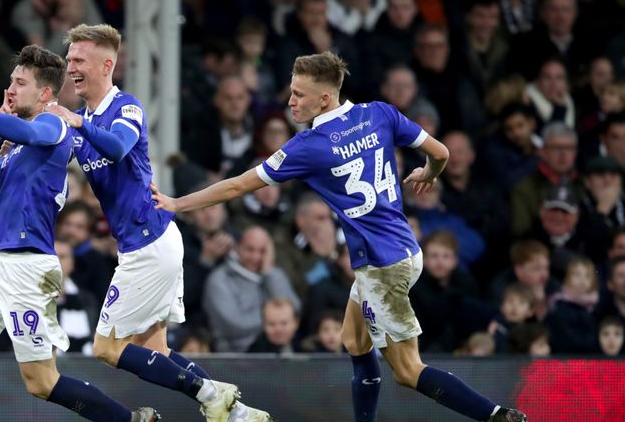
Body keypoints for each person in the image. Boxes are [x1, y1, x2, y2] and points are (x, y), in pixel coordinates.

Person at [151, 51, 527, 422]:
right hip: (404, 249)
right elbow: (441, 153)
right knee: (355, 339)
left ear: (325, 98)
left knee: (408, 370)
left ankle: (495, 415)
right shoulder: (379, 112)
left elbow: (236, 187)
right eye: (291, 91)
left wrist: (176, 204)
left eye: (299, 94)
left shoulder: (308, 146)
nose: (291, 101)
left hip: (382, 266)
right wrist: (430, 172)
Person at [42, 24, 270, 422]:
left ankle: (210, 392)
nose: (70, 67)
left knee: (106, 349)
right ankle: (238, 413)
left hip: (149, 241)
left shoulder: (126, 107)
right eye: (69, 60)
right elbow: (55, 152)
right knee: (156, 350)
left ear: (106, 64)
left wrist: (79, 125)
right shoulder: (80, 119)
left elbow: (116, 147)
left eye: (78, 59)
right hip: (147, 242)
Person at [0, 44, 159, 422]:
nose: (11, 90)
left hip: (28, 268)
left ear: (46, 94)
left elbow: (30, 133)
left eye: (20, 83)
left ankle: (128, 420)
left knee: (41, 382)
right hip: (3, 263)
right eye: (11, 81)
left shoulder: (53, 124)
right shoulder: (20, 146)